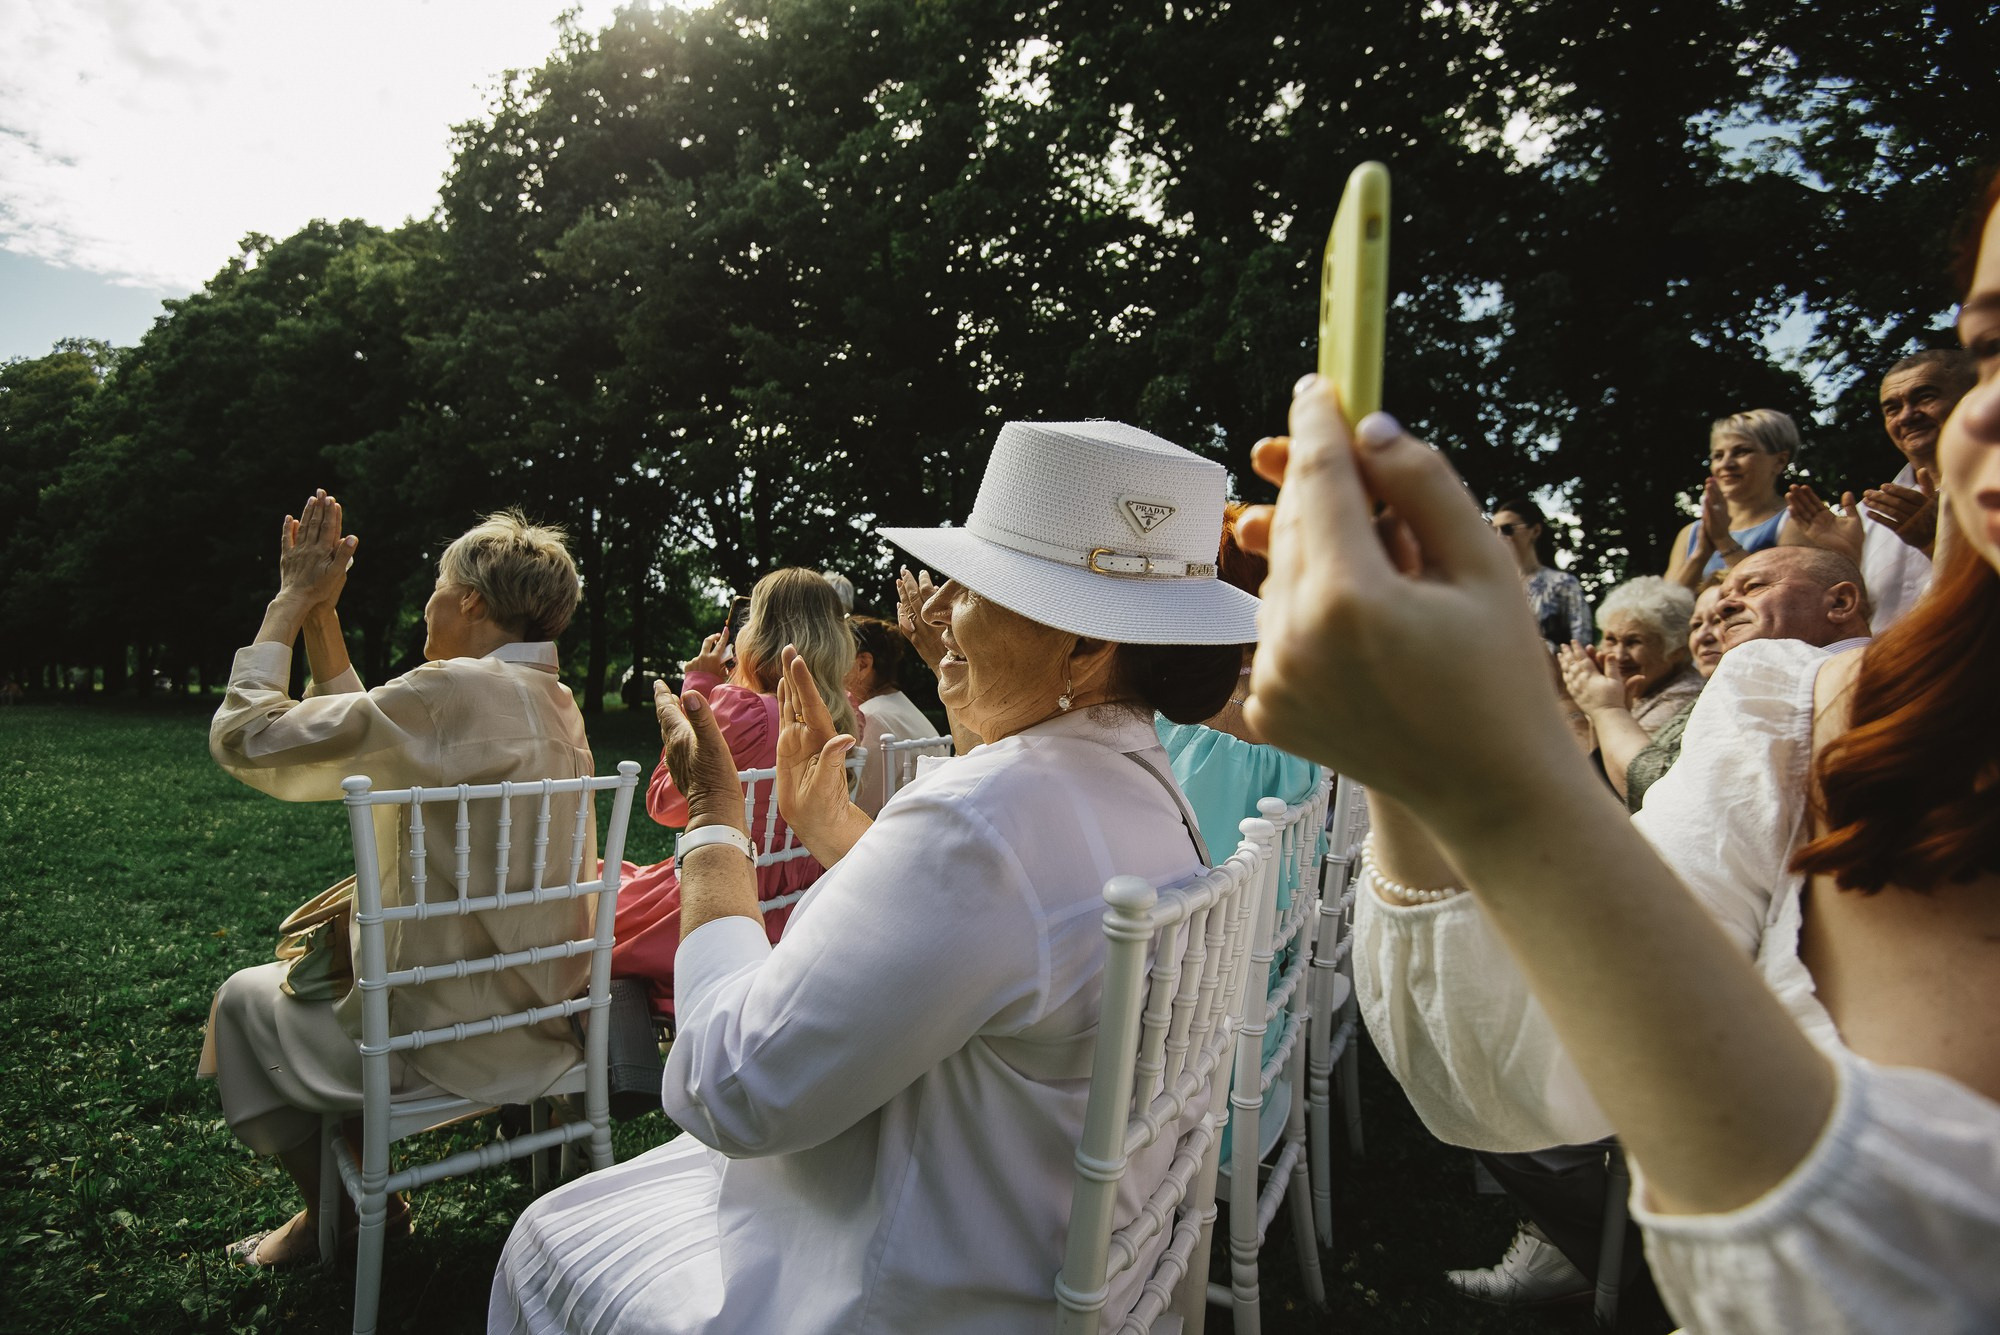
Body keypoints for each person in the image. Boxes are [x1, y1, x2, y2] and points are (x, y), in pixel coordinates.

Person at [1234, 174, 2000, 1332]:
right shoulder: (1788, 709)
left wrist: (1496, 778)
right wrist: (1423, 761)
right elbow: (1516, 1080)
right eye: (1986, 352)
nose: (1977, 411)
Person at [491, 419, 1257, 1334]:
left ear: (1084, 649)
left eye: (973, 590)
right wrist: (844, 828)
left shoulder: (989, 814)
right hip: (1043, 1252)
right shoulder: (1148, 788)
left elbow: (728, 1088)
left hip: (909, 1286)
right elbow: (999, 943)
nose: (938, 619)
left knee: (546, 1235)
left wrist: (711, 825)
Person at [205, 499, 590, 1268]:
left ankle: (331, 1213)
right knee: (290, 992)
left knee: (241, 998)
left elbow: (249, 736)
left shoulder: (450, 691)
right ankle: (339, 1203)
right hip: (545, 1016)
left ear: (473, 601)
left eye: (439, 587)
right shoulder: (554, 698)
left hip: (438, 1039)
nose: (429, 603)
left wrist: (287, 600)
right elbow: (370, 724)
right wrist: (322, 617)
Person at [610, 568, 858, 1018]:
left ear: (756, 632)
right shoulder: (846, 713)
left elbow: (665, 805)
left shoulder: (742, 710)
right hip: (795, 909)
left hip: (712, 900)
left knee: (584, 917)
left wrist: (700, 690)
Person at [1566, 549, 1871, 810]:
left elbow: (1667, 795)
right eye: (1696, 623)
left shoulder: (1863, 675)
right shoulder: (1758, 677)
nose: (1724, 610)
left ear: (1840, 602)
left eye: (1753, 586)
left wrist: (1598, 708)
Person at [1784, 349, 1976, 628]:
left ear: (1972, 399)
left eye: (1925, 397)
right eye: (1892, 408)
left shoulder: (1989, 493)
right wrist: (1849, 562)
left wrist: (1936, 544)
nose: (1907, 416)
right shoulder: (1869, 515)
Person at [1664, 409, 1799, 590]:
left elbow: (1785, 596)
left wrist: (1723, 540)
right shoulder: (1691, 534)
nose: (1726, 465)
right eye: (1718, 456)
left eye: (1741, 452)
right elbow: (1665, 611)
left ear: (1780, 461)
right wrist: (1700, 555)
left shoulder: (1796, 522)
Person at [1581, 576, 1704, 738]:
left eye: (1634, 642)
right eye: (1611, 639)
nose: (1618, 656)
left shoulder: (1682, 699)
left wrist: (1565, 698)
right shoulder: (1616, 689)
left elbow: (1621, 761)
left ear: (1676, 649)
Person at [846, 613, 942, 816]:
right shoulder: (903, 707)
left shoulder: (870, 719)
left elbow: (855, 809)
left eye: (835, 657)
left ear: (863, 665)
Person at [1490, 496, 1591, 650]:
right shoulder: (1494, 587)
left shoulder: (1563, 584)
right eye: (1494, 530)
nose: (1500, 537)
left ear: (1535, 531)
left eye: (1507, 529)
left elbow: (1581, 643)